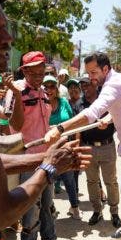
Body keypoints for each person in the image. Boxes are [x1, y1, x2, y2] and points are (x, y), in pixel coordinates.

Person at [0, 0, 91, 240]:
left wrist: (46, 159)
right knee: (29, 215)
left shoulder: (45, 94)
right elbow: (0, 213)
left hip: (34, 159)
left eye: (5, 27)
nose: (7, 38)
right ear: (26, 71)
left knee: (46, 210)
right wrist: (48, 168)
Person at [45, 52, 121, 240]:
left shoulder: (113, 85)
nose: (91, 77)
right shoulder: (118, 80)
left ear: (106, 69)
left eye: (94, 72)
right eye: (88, 73)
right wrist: (109, 117)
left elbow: (90, 113)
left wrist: (60, 128)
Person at [8, 51, 74, 240]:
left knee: (47, 205)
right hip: (27, 160)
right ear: (25, 70)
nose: (39, 74)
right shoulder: (16, 91)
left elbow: (44, 126)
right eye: (35, 70)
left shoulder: (45, 93)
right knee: (31, 208)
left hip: (47, 158)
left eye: (41, 69)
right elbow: (16, 126)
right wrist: (17, 97)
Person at [78, 76, 121, 227]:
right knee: (92, 181)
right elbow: (78, 130)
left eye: (87, 84)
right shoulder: (80, 104)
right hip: (88, 147)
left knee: (111, 181)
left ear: (94, 85)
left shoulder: (106, 101)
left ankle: (114, 212)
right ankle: (97, 211)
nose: (84, 87)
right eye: (82, 85)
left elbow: (117, 118)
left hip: (106, 147)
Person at [42, 75, 82, 219]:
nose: (49, 89)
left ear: (57, 88)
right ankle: (50, 208)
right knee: (48, 180)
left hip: (65, 147)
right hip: (47, 150)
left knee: (69, 179)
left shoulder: (64, 102)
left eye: (52, 86)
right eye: (45, 86)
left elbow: (73, 122)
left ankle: (75, 207)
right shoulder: (41, 103)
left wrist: (76, 143)